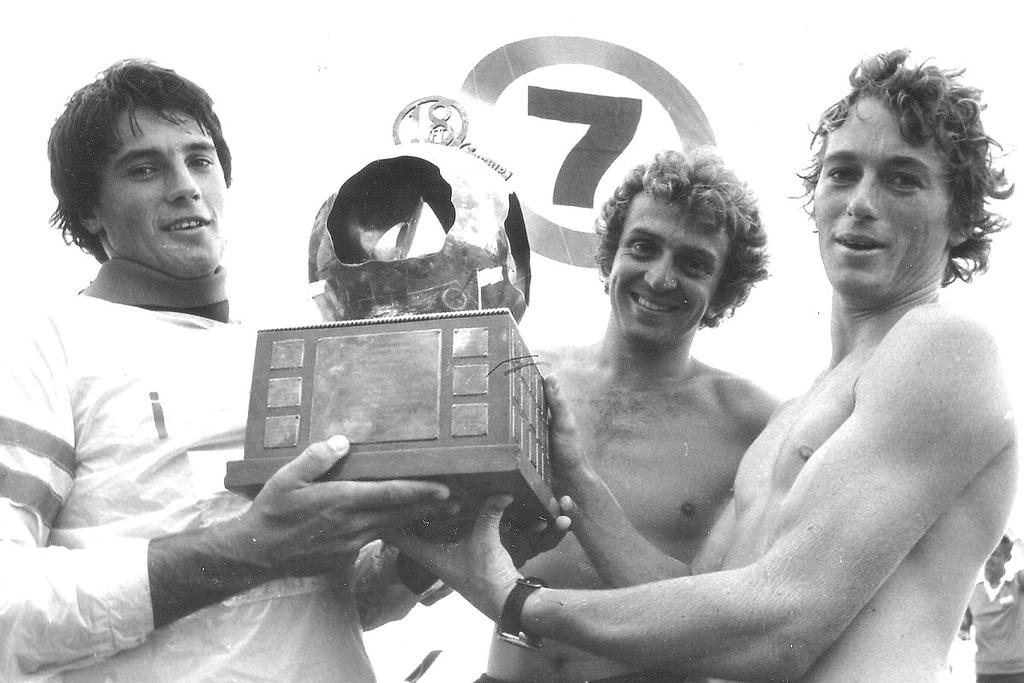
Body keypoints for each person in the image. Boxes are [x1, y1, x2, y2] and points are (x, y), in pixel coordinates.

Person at [396, 49, 1017, 682]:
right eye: (842, 172)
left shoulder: (945, 344)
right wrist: (580, 481)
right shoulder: (805, 407)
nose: (861, 201)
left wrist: (516, 600)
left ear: (962, 218)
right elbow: (694, 605)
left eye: (902, 178)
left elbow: (779, 629)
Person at [0, 59, 460, 682]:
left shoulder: (298, 338)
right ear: (89, 211)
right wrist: (251, 548)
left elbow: (314, 601)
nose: (185, 185)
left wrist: (432, 554)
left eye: (200, 159)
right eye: (143, 168)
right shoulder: (42, 344)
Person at [480, 149, 776, 682]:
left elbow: (725, 622)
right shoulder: (527, 377)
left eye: (693, 263)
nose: (660, 278)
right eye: (644, 246)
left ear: (723, 288)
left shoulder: (752, 423)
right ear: (611, 252)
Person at [959, 535, 1024, 682]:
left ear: (1007, 557)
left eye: (995, 554)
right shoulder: (971, 589)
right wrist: (963, 632)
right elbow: (963, 628)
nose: (989, 559)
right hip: (986, 671)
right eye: (987, 554)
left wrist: (1021, 546)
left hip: (1018, 671)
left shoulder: (1017, 581)